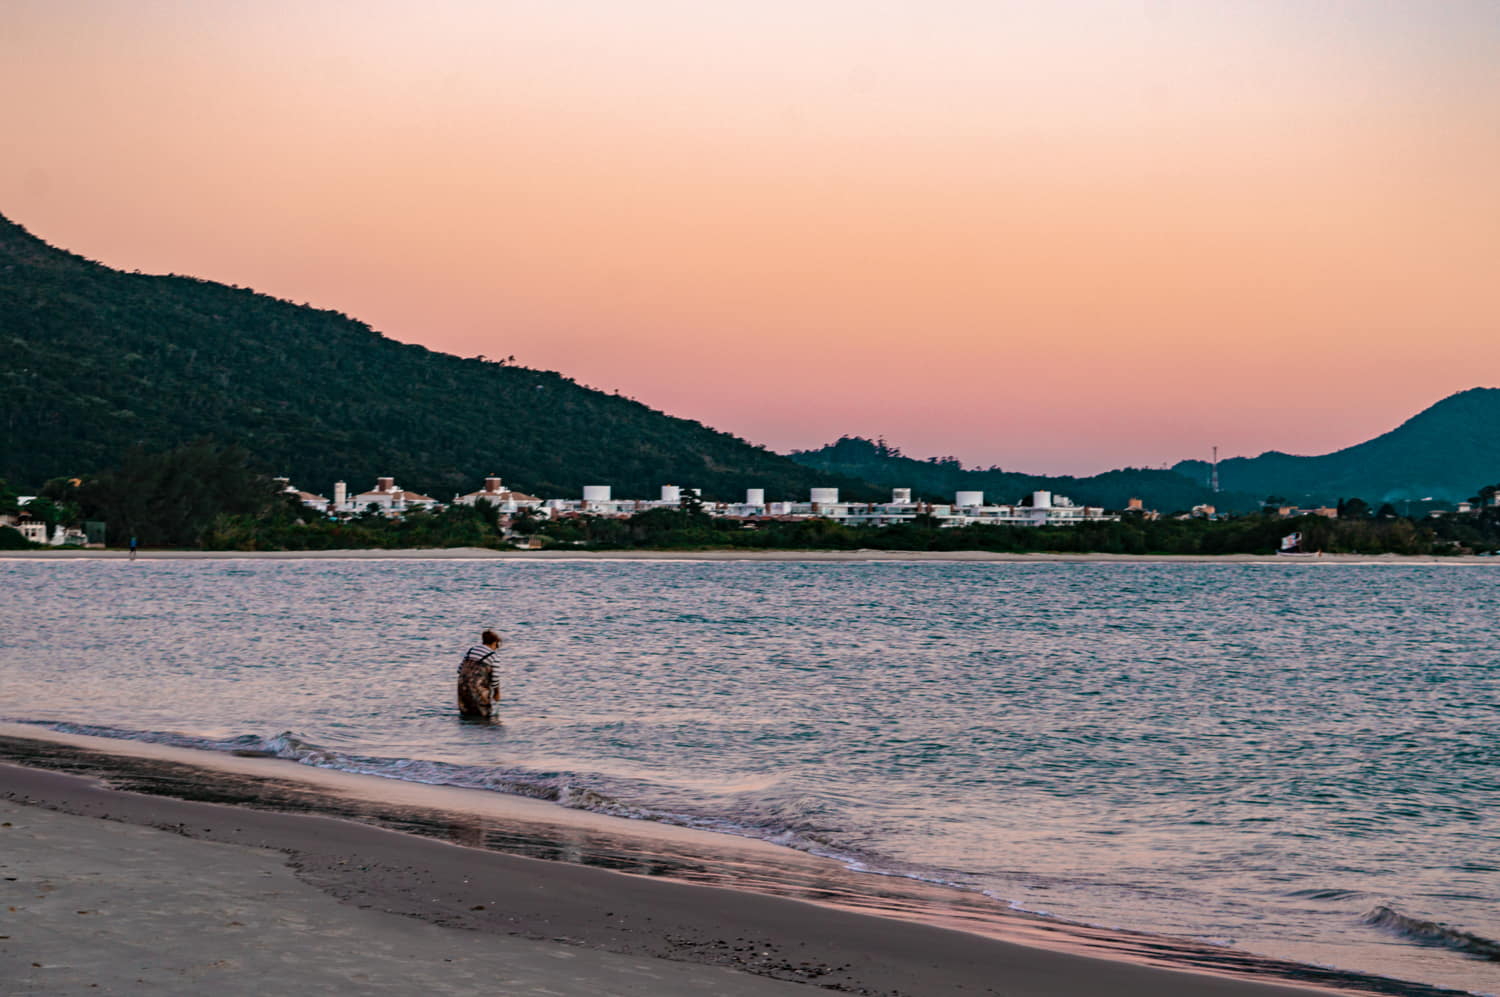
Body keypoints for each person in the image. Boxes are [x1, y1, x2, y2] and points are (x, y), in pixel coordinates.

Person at [457, 629, 502, 719]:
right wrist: (497, 693)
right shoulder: (493, 656)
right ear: (495, 643)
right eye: (498, 645)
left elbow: (459, 669)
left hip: (462, 685)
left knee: (466, 713)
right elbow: (495, 679)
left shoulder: (472, 650)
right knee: (483, 714)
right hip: (478, 687)